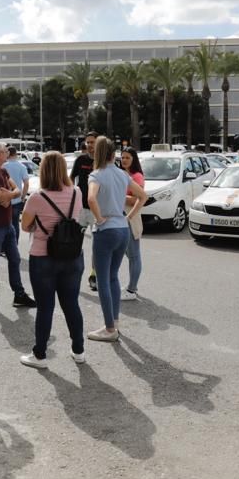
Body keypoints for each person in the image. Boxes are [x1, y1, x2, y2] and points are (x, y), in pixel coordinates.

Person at [19, 152, 86, 368]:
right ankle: (78, 350)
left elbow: (25, 225)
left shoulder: (37, 197)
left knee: (45, 307)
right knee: (71, 304)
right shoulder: (76, 192)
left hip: (43, 256)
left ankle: (40, 355)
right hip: (73, 255)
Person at [86, 136, 147, 342]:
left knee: (103, 279)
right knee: (113, 277)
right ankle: (115, 322)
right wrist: (129, 216)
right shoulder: (123, 174)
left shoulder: (96, 175)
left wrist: (99, 218)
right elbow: (143, 196)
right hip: (123, 228)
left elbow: (91, 198)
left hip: (106, 230)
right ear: (114, 154)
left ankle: (109, 328)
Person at [0, 142, 35, 312]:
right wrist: (12, 194)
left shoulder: (3, 171)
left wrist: (10, 194)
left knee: (15, 259)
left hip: (8, 225)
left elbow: (16, 190)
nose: (7, 153)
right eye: (4, 151)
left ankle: (19, 295)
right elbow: (0, 201)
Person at [70, 132, 97, 290]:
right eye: (88, 142)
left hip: (97, 210)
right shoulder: (81, 160)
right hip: (80, 209)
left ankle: (94, 274)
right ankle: (73, 272)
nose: (90, 145)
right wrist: (70, 195)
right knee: (74, 242)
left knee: (97, 246)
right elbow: (71, 178)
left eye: (93, 142)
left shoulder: (104, 161)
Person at [119, 146, 144, 301]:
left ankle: (132, 289)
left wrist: (119, 195)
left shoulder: (137, 176)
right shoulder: (122, 174)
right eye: (122, 157)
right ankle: (131, 286)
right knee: (128, 254)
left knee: (134, 255)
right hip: (121, 217)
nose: (124, 160)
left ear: (134, 159)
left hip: (131, 217)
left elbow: (138, 199)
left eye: (128, 157)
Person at [4, 147, 30, 242]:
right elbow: (26, 184)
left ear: (8, 154)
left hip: (5, 199)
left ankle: (4, 246)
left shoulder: (3, 166)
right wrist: (23, 197)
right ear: (16, 154)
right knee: (15, 224)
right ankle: (14, 244)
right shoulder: (22, 166)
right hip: (17, 199)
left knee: (5, 224)